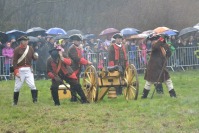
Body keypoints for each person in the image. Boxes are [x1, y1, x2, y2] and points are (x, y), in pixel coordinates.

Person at [141, 34, 177, 99]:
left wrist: (169, 50)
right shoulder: (154, 46)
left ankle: (173, 95)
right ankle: (144, 96)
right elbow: (156, 46)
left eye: (155, 39)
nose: (154, 41)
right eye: (153, 40)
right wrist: (162, 38)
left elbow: (168, 53)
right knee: (149, 82)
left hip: (162, 67)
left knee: (168, 81)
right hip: (153, 68)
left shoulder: (164, 45)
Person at [12, 36, 39, 105]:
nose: (27, 42)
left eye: (27, 40)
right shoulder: (17, 49)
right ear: (22, 41)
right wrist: (16, 71)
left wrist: (36, 57)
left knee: (32, 85)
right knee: (17, 87)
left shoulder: (30, 48)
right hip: (20, 70)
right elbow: (14, 61)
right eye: (25, 40)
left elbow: (33, 58)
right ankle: (15, 102)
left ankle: (35, 100)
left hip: (28, 69)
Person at [68, 34, 92, 101]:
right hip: (73, 68)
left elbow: (81, 57)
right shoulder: (72, 48)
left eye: (79, 41)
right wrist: (86, 62)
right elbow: (77, 58)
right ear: (74, 41)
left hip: (77, 68)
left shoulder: (77, 48)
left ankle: (74, 97)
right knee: (75, 83)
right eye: (78, 41)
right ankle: (75, 97)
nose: (79, 42)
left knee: (74, 83)